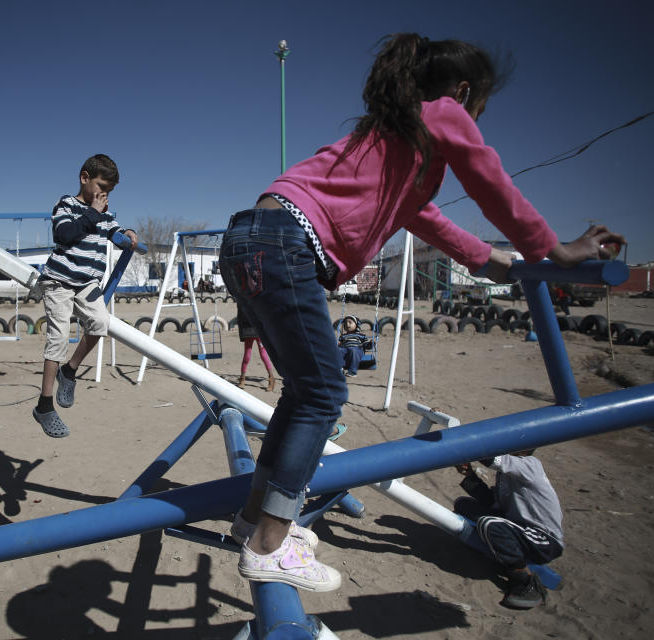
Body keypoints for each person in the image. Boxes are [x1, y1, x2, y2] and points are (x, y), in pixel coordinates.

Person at [218, 32, 624, 592]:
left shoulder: (391, 141)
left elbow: (430, 221)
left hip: (248, 235)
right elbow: (491, 183)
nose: (476, 119)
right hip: (288, 242)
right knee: (324, 394)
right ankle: (269, 542)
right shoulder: (441, 114)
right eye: (479, 106)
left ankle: (255, 522)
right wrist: (554, 250)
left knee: (303, 389)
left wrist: (495, 264)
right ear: (462, 92)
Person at [33, 154, 138, 438]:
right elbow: (64, 234)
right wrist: (92, 211)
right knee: (57, 338)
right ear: (84, 178)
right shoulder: (67, 204)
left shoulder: (103, 212)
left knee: (100, 323)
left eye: (110, 190)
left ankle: (70, 370)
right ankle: (44, 404)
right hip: (59, 281)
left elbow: (115, 232)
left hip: (87, 283)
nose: (104, 194)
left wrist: (128, 232)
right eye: (101, 186)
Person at [454, 451, 564, 609]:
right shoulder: (505, 474)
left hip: (544, 540)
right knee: (463, 504)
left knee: (489, 524)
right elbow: (493, 503)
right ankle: (498, 548)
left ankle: (524, 581)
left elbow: (490, 458)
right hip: (518, 527)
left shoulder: (530, 465)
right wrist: (470, 474)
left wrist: (464, 445)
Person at [236, 304, 276, 391]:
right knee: (247, 355)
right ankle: (242, 378)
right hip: (248, 329)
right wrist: (241, 334)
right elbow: (240, 318)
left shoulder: (255, 298)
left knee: (263, 354)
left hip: (259, 329)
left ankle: (271, 378)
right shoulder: (241, 301)